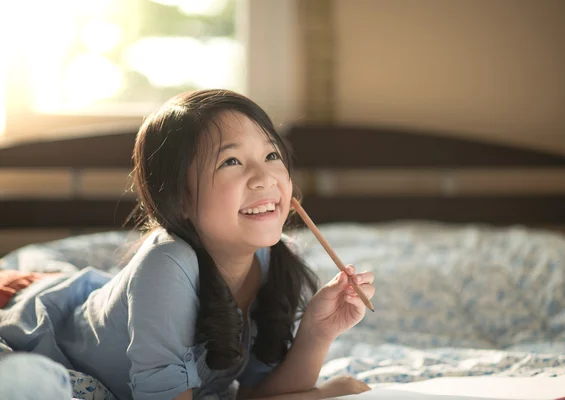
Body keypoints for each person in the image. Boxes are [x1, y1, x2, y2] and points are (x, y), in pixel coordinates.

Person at [0, 89, 375, 400]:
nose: (264, 178)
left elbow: (255, 391)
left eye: (271, 155)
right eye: (231, 161)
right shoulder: (167, 263)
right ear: (179, 199)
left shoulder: (276, 260)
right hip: (39, 324)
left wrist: (316, 332)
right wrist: (320, 396)